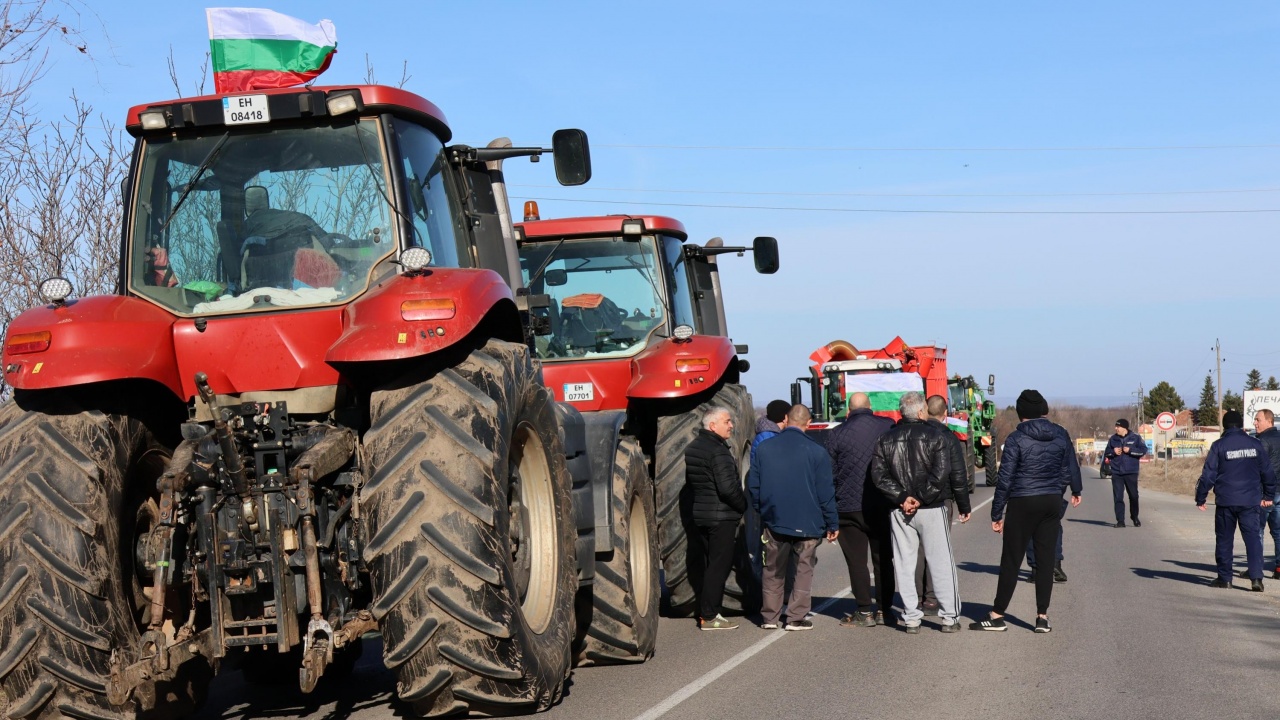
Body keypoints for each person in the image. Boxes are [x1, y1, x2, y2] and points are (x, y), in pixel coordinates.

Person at [970, 390, 1080, 633]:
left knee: (1011, 559)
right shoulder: (1060, 435)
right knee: (1045, 559)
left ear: (1021, 413)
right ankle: (1042, 617)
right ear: (1043, 410)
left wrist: (996, 513)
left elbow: (1005, 479)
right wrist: (1062, 491)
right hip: (1050, 500)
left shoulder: (1016, 439)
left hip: (1023, 501)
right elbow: (1067, 469)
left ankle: (997, 615)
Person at [871, 392, 971, 634]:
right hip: (931, 507)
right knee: (941, 562)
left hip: (899, 510)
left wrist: (903, 498)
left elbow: (879, 476)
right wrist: (922, 498)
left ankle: (912, 618)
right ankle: (949, 617)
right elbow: (942, 474)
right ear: (919, 412)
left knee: (904, 564)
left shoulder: (884, 439)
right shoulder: (936, 436)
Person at [749, 404, 839, 631]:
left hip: (774, 520)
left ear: (787, 419)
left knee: (772, 570)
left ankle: (770, 617)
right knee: (803, 570)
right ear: (808, 423)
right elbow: (825, 492)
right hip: (808, 522)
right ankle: (795, 617)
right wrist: (832, 522)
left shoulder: (764, 448)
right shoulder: (818, 452)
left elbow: (754, 486)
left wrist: (764, 511)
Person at [825, 392, 895, 627]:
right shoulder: (887, 426)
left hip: (847, 508)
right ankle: (885, 610)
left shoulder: (836, 434)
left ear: (848, 411)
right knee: (883, 559)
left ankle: (864, 610)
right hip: (881, 505)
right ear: (871, 407)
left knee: (856, 561)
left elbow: (830, 475)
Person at [1195, 410, 1277, 591]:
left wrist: (1201, 497)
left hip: (1226, 501)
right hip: (1250, 501)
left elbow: (1208, 475)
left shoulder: (1219, 446)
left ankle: (1225, 579)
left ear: (1225, 426)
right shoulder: (1255, 444)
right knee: (1253, 539)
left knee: (1224, 540)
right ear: (1241, 425)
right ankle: (1256, 579)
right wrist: (1268, 495)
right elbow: (1268, 473)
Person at [684, 406, 746, 630]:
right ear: (712, 425)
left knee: (709, 564)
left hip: (702, 514)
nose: (731, 425)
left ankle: (707, 611)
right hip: (721, 518)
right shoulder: (718, 451)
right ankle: (710, 616)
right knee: (719, 567)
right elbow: (728, 489)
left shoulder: (693, 448)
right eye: (727, 421)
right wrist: (744, 506)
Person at [917, 394, 969, 612]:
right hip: (941, 499)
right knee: (936, 548)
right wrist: (964, 506)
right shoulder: (949, 437)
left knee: (916, 549)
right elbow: (958, 473)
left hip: (913, 499)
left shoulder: (914, 433)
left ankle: (915, 597)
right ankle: (931, 597)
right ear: (945, 414)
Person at [1253, 409, 1280, 580]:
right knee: (1278, 532)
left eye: (1258, 420)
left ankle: (1256, 569)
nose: (1255, 423)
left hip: (1265, 494)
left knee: (1257, 531)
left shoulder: (1261, 442)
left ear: (1269, 421)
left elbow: (1257, 469)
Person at [1105, 419, 1146, 528]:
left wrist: (1131, 450)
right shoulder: (1113, 439)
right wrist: (1113, 452)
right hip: (1116, 472)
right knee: (1118, 497)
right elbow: (1107, 453)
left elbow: (1143, 450)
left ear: (1124, 428)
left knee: (1133, 496)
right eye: (1115, 426)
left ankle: (1134, 516)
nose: (1116, 428)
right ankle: (1120, 521)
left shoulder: (1135, 438)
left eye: (1118, 427)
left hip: (1131, 471)